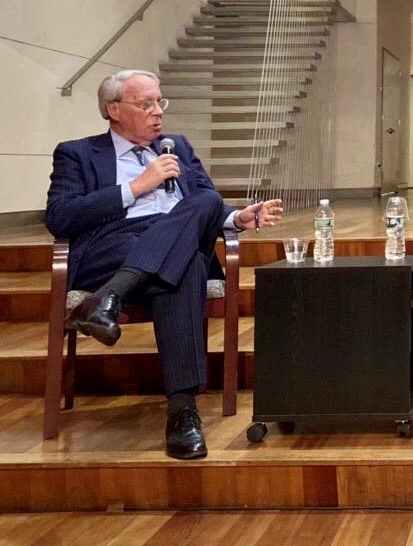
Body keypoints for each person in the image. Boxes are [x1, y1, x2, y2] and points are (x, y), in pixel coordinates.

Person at [45, 69, 283, 459]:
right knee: (186, 263)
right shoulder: (78, 153)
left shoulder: (178, 147)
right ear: (114, 110)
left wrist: (238, 218)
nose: (158, 112)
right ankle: (182, 412)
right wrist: (136, 187)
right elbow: (60, 216)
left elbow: (207, 204)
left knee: (203, 207)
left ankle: (108, 299)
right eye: (146, 104)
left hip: (173, 242)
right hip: (113, 244)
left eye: (160, 102)